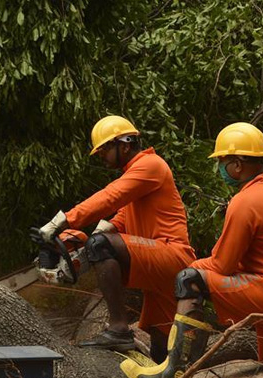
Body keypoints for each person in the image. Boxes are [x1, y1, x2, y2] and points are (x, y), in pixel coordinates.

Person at [119, 123, 263, 378]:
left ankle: (173, 375)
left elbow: (224, 264)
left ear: (237, 164)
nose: (220, 168)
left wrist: (191, 266)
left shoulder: (246, 200)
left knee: (191, 279)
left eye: (221, 162)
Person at [38, 115, 195, 361]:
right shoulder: (137, 177)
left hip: (171, 255)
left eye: (104, 150)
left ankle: (119, 329)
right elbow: (122, 216)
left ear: (124, 144)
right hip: (157, 264)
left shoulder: (150, 165)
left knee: (101, 245)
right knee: (160, 344)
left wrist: (62, 221)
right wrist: (86, 243)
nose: (101, 156)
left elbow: (110, 196)